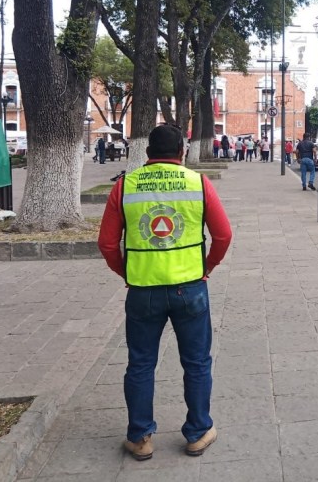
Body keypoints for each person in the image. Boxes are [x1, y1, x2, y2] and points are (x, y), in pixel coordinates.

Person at [98, 125, 232, 462]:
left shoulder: (124, 186)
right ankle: (198, 431)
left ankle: (140, 437)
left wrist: (126, 271)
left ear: (146, 154)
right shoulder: (198, 184)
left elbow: (107, 243)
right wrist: (207, 268)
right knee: (197, 362)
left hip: (143, 291)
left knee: (141, 364)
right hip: (191, 288)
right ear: (183, 152)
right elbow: (224, 235)